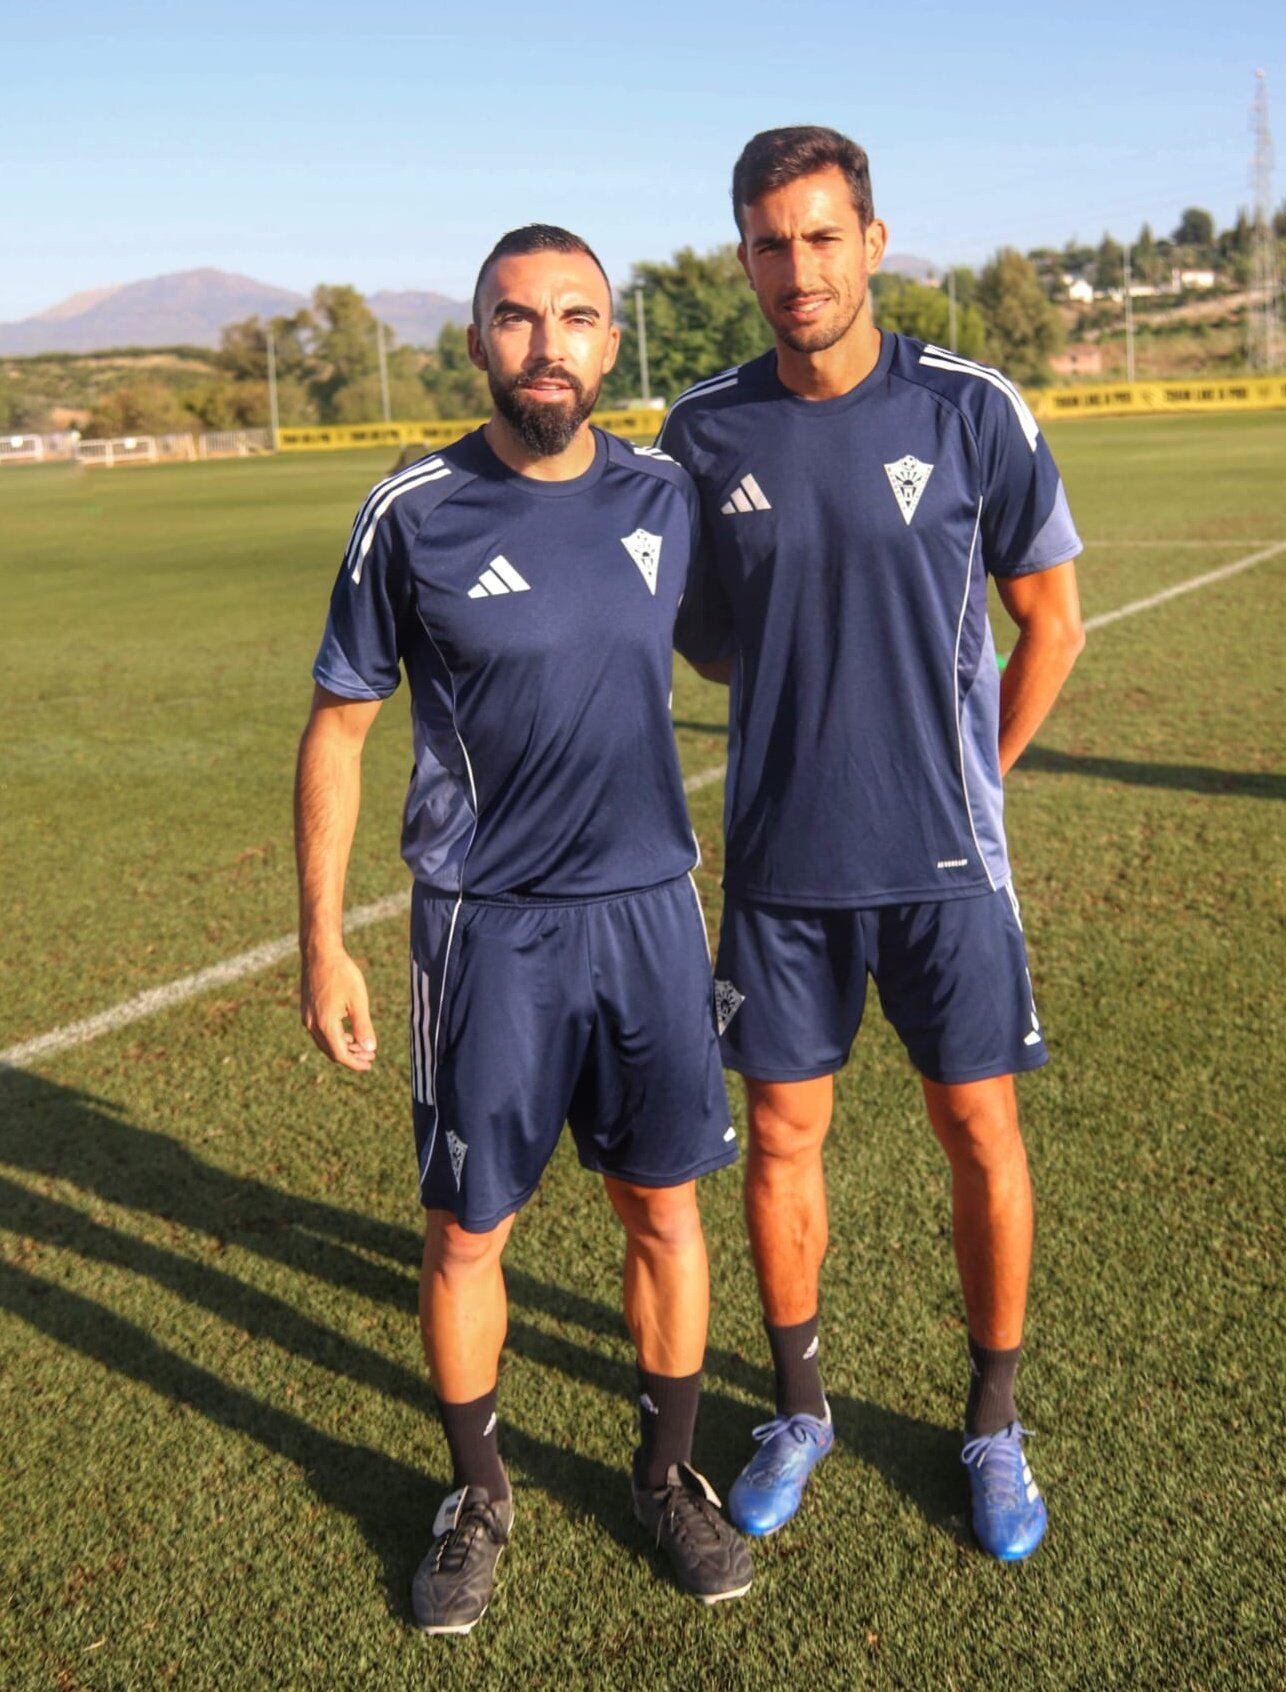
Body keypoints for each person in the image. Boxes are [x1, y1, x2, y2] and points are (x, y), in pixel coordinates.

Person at [294, 224, 753, 1632]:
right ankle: (476, 1492)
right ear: (479, 341)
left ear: (613, 345)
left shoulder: (669, 498)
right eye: (515, 317)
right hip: (486, 935)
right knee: (468, 1230)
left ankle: (667, 1474)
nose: (546, 343)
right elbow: (340, 727)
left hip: (649, 920)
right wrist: (324, 939)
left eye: (575, 317)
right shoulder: (412, 511)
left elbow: (758, 641)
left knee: (664, 1209)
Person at [659, 128, 1085, 1561]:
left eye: (823, 237)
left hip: (948, 865)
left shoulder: (973, 410)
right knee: (782, 1137)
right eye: (772, 244)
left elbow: (1055, 622)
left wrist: (979, 780)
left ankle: (993, 1424)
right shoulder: (704, 431)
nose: (799, 269)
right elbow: (701, 637)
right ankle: (798, 1407)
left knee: (981, 1131)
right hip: (782, 865)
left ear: (874, 241)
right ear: (743, 259)